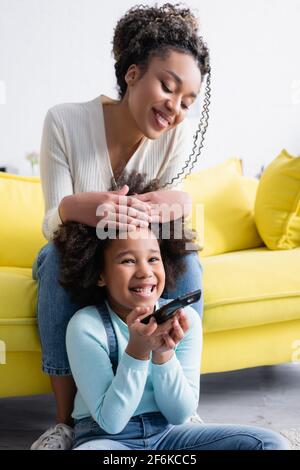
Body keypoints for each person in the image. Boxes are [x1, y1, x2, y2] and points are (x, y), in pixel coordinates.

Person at [31, 3, 211, 450]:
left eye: (187, 102)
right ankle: (65, 421)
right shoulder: (64, 121)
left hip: (134, 262)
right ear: (132, 74)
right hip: (77, 254)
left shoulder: (175, 136)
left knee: (187, 265)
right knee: (54, 257)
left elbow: (168, 222)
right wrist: (79, 207)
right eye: (167, 88)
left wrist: (174, 202)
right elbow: (52, 220)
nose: (175, 109)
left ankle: (181, 406)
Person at [47, 174, 288, 451]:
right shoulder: (86, 326)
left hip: (169, 436)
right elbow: (110, 421)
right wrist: (137, 352)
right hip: (107, 440)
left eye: (153, 258)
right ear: (100, 273)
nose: (144, 272)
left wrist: (163, 354)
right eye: (127, 260)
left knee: (269, 443)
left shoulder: (186, 322)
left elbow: (180, 414)